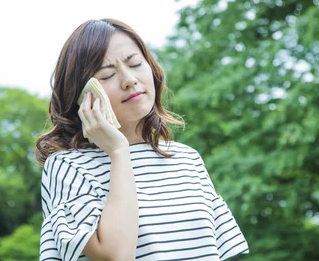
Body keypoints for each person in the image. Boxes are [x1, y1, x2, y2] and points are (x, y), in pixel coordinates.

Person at [35, 18, 249, 261]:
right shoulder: (68, 167)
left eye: (135, 63)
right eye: (106, 75)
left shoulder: (189, 160)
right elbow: (116, 256)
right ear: (83, 97)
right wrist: (118, 151)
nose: (129, 80)